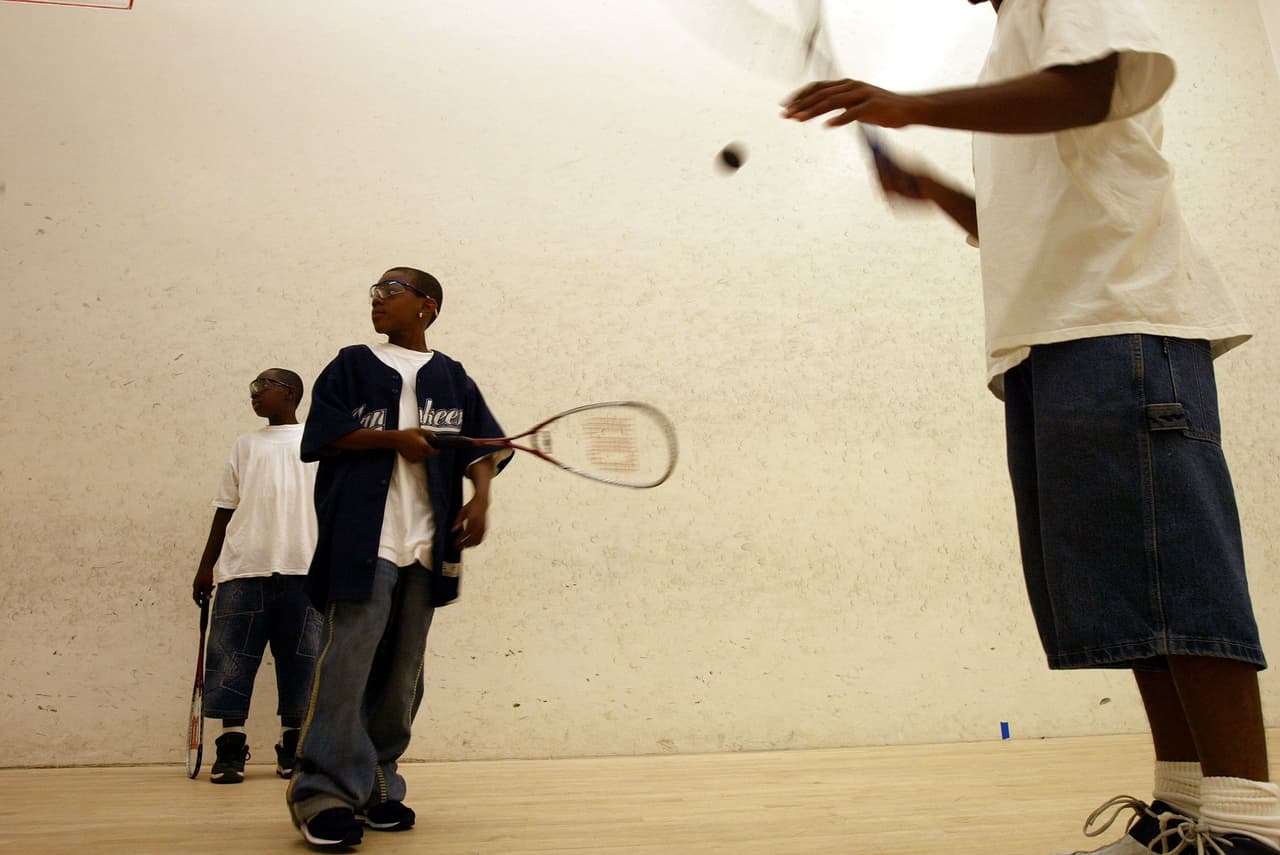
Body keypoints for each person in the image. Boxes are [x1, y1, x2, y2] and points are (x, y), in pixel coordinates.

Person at [782, 2, 1276, 853]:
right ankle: (1184, 810)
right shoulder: (1009, 50)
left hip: (1121, 324)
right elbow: (1037, 216)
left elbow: (1091, 86)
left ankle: (1249, 825)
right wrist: (936, 189)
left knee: (1181, 582)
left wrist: (909, 104)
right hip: (1056, 342)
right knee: (1138, 600)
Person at [286, 267, 512, 850]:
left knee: (403, 670)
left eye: (391, 292)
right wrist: (394, 438)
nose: (377, 301)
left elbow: (484, 446)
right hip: (363, 542)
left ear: (427, 306)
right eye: (374, 293)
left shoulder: (453, 377)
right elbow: (323, 435)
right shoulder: (351, 364)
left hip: (427, 546)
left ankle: (381, 782)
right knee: (347, 664)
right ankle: (324, 793)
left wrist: (481, 498)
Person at [192, 368, 320, 784]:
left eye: (263, 386)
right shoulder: (245, 445)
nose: (255, 394)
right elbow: (225, 507)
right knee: (230, 659)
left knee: (303, 661)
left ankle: (293, 747)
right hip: (243, 568)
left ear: (291, 393)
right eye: (252, 388)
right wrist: (206, 564)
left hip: (305, 570)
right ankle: (231, 747)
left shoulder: (317, 441)